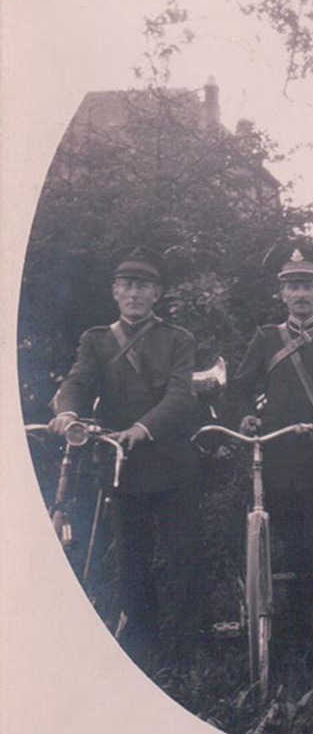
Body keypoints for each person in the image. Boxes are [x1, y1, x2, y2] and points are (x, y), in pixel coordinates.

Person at [49, 246, 204, 674]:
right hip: (121, 463)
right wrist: (66, 411)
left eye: (144, 286)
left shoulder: (178, 339)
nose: (135, 293)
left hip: (172, 462)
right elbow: (77, 381)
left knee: (183, 558)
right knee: (131, 559)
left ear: (157, 294)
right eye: (127, 285)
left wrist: (144, 427)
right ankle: (141, 648)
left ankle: (187, 651)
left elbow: (179, 396)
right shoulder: (96, 339)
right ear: (115, 292)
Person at [230, 244, 313, 656]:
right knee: (278, 549)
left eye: (307, 285)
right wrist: (244, 417)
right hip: (275, 462)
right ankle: (282, 636)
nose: (300, 294)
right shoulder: (267, 338)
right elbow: (239, 389)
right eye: (292, 287)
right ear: (282, 294)